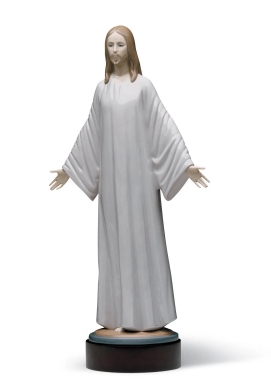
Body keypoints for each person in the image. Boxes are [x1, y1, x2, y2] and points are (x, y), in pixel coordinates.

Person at [50, 26, 209, 332]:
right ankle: (119, 316)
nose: (114, 50)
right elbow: (91, 131)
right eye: (110, 45)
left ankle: (147, 317)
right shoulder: (102, 90)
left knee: (142, 241)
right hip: (112, 183)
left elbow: (163, 124)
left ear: (130, 48)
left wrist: (184, 164)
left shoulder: (144, 87)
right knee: (114, 244)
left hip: (140, 182)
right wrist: (69, 168)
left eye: (120, 44)